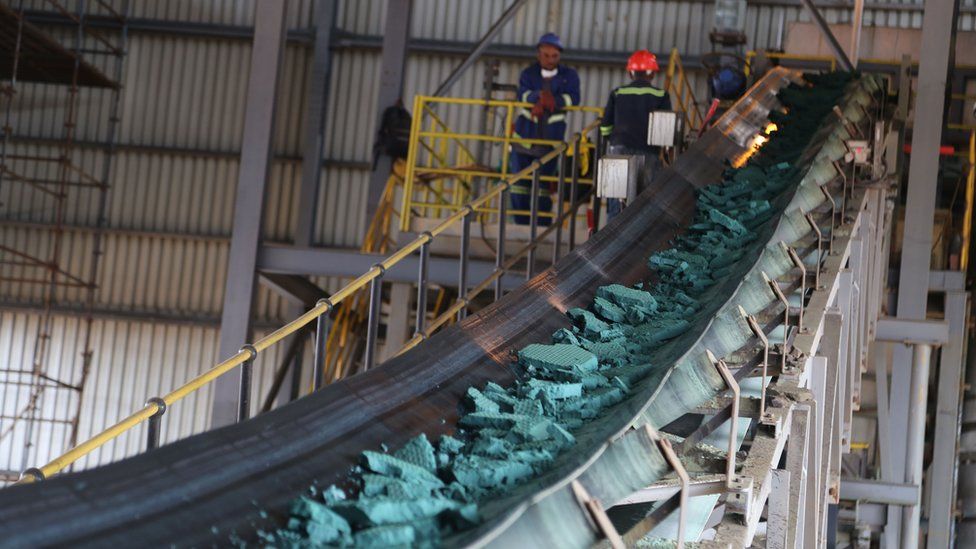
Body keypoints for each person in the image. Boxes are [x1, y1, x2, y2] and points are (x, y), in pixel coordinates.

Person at [510, 32, 581, 225]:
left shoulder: (569, 76)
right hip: (524, 140)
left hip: (550, 141)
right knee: (519, 185)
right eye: (546, 55)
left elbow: (574, 98)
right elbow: (522, 95)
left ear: (559, 56)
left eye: (554, 56)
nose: (550, 60)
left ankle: (541, 227)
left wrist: (554, 101)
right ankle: (521, 225)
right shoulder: (528, 73)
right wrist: (538, 97)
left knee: (544, 187)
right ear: (538, 55)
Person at [600, 49, 672, 220]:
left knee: (616, 204)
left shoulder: (617, 93)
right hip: (648, 155)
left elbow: (605, 128)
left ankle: (610, 243)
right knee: (643, 206)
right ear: (652, 73)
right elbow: (666, 133)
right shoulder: (661, 95)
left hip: (618, 152)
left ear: (630, 72)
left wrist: (615, 141)